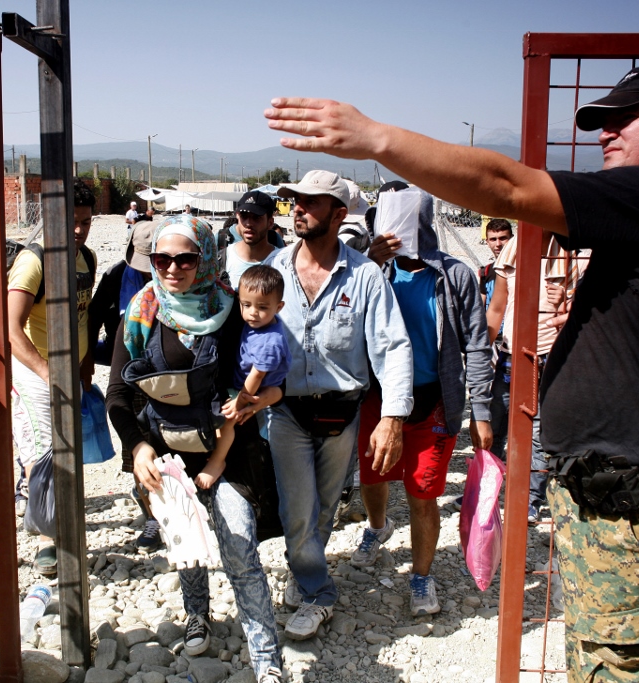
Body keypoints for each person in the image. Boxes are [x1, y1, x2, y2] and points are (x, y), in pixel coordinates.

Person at [265, 60, 639, 682]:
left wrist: (375, 137)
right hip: (618, 498)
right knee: (600, 664)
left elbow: (508, 188)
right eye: (601, 123)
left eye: (623, 120)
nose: (604, 136)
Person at [107, 215, 286, 683]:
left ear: (204, 258)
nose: (171, 268)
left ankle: (267, 661)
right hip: (165, 456)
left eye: (184, 258)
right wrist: (138, 449)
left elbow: (269, 378)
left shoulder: (234, 311)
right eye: (161, 258)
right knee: (188, 546)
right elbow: (118, 395)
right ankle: (197, 615)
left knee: (241, 549)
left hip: (230, 451)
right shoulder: (142, 311)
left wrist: (255, 401)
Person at [267, 170, 413, 640]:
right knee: (297, 506)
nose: (299, 210)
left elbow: (392, 347)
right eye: (295, 202)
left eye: (311, 203)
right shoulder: (275, 267)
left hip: (341, 412)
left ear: (339, 214)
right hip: (286, 410)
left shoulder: (366, 276)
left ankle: (304, 570)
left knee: (326, 506)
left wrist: (392, 417)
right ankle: (318, 593)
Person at [351, 188, 492, 617]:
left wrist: (481, 412)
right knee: (373, 476)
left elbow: (477, 345)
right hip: (378, 398)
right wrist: (370, 262)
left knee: (423, 490)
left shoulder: (455, 276)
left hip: (433, 401)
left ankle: (421, 575)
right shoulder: (371, 271)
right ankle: (378, 527)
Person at [8, 177, 97, 575]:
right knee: (44, 453)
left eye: (86, 222)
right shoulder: (34, 261)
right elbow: (11, 330)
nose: (78, 230)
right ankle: (47, 540)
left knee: (66, 452)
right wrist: (47, 373)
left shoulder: (85, 259)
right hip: (35, 374)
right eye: (71, 222)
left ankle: (52, 518)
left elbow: (84, 316)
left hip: (68, 375)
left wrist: (84, 365)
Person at [486, 231, 584, 524]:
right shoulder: (514, 250)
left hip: (548, 356)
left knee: (539, 433)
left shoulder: (566, 254)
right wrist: (479, 352)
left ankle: (530, 500)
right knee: (494, 426)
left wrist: (565, 300)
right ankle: (486, 492)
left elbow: (581, 314)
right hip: (509, 355)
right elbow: (497, 308)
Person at [86, 221, 162, 550]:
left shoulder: (185, 278)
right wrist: (87, 358)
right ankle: (153, 516)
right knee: (139, 448)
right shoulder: (117, 277)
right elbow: (91, 317)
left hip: (171, 379)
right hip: (130, 378)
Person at [200, 265, 291, 488]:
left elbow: (258, 375)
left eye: (262, 307)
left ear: (279, 307)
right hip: (246, 380)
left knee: (228, 421)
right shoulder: (259, 324)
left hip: (254, 387)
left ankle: (217, 462)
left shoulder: (269, 341)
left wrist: (240, 401)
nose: (252, 313)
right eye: (246, 305)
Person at [219, 190, 282, 289]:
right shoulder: (222, 259)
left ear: (270, 223)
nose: (248, 223)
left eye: (256, 217)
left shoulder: (283, 262)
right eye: (244, 216)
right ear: (237, 218)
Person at [478, 218, 513, 308]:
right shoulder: (485, 272)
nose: (498, 244)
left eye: (503, 238)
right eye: (493, 239)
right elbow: (481, 305)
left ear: (512, 239)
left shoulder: (523, 269)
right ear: (487, 242)